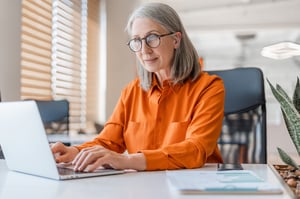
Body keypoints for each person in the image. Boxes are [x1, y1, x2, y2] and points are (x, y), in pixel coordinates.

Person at [51, 2, 225, 172]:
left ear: (176, 40)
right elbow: (107, 142)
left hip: (195, 183)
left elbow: (196, 149)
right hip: (145, 185)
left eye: (152, 38)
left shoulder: (209, 87)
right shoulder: (131, 91)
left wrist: (127, 160)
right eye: (137, 41)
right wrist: (74, 152)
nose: (144, 50)